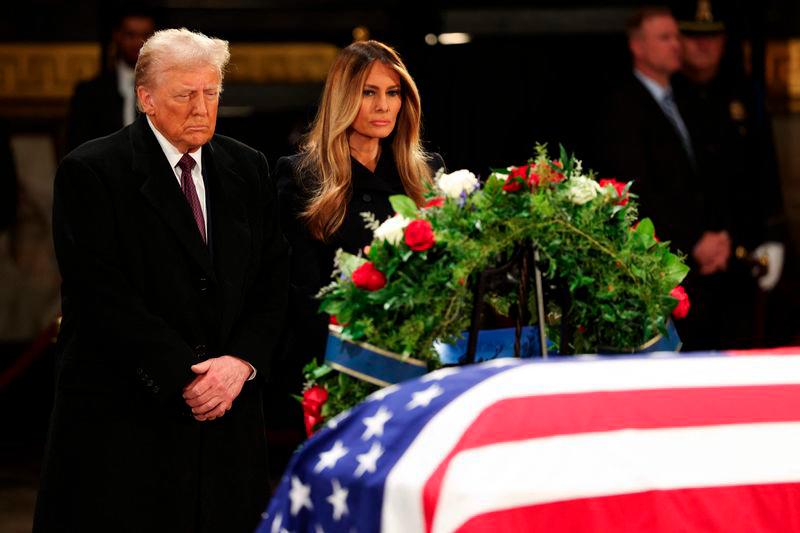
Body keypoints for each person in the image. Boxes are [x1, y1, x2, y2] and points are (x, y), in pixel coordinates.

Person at [34, 28, 288, 532]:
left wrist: (240, 363)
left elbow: (272, 281)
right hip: (127, 421)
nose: (201, 108)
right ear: (146, 99)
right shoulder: (92, 171)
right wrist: (188, 376)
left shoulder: (249, 167)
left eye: (211, 93)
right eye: (185, 95)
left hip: (227, 422)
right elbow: (100, 295)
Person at [274, 40, 444, 393]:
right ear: (343, 97)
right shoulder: (302, 176)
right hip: (333, 368)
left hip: (416, 366)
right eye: (369, 92)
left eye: (393, 92)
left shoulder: (427, 174)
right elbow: (301, 294)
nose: (383, 105)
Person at [593, 7, 732, 350]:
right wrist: (693, 240)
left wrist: (719, 233)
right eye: (665, 37)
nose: (677, 45)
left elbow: (712, 175)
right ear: (638, 47)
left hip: (711, 263)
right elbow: (636, 190)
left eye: (677, 37)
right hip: (668, 261)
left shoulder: (690, 98)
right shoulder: (622, 106)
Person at [672, 0, 787, 346]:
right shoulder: (666, 93)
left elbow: (766, 165)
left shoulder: (743, 90)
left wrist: (774, 234)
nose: (703, 46)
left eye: (711, 37)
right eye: (693, 37)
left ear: (724, 40)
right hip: (685, 256)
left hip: (741, 249)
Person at [66, 4, 155, 151]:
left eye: (145, 35)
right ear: (117, 35)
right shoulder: (89, 93)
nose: (138, 43)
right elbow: (77, 148)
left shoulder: (166, 89)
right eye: (130, 35)